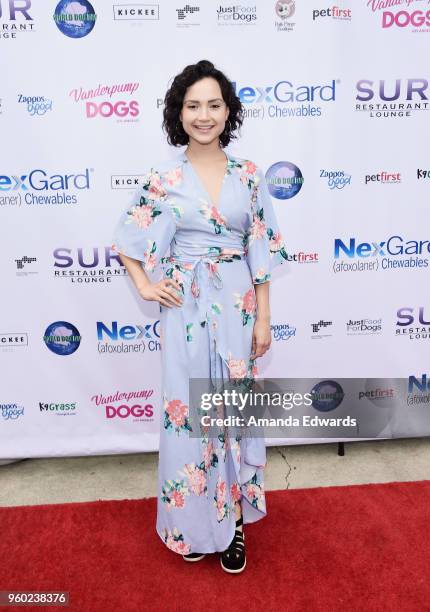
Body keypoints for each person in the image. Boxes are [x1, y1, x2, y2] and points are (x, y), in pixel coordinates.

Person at [112, 60, 291, 574]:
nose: (204, 115)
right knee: (188, 418)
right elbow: (127, 238)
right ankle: (189, 524)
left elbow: (261, 249)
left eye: (214, 104)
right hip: (185, 310)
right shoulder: (164, 180)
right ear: (179, 113)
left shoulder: (249, 176)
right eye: (193, 106)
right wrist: (146, 284)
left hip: (237, 308)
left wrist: (263, 319)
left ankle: (233, 523)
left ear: (228, 111)